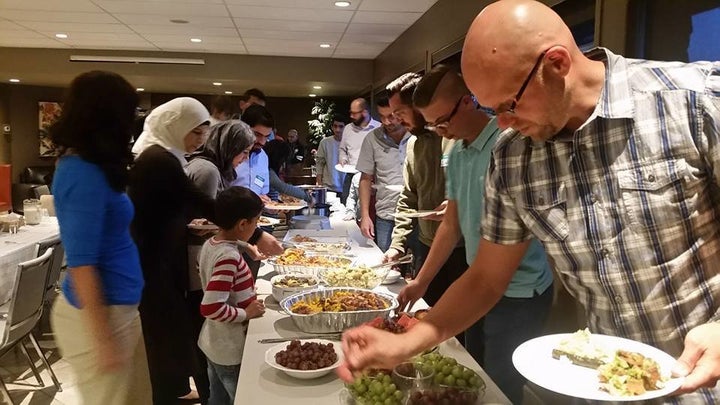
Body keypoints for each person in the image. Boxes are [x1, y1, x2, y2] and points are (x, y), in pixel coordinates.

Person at [339, 1, 720, 403]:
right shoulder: (513, 155)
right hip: (607, 383)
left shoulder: (695, 101)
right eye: (491, 108)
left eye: (508, 105)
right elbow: (486, 277)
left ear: (556, 64)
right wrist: (411, 340)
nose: (501, 123)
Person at [401, 63, 554, 403]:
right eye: (432, 124)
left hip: (520, 292)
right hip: (476, 284)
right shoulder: (455, 152)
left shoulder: (510, 145)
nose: (440, 131)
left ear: (468, 102)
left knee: (500, 386)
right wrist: (421, 281)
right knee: (469, 375)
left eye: (443, 120)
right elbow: (451, 225)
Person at [48, 70, 151, 405]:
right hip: (99, 316)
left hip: (118, 310)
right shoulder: (81, 172)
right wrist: (103, 339)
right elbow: (81, 264)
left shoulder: (92, 166)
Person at [128, 97, 215, 404]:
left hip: (160, 256)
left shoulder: (165, 156)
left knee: (169, 331)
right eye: (195, 132)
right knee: (164, 333)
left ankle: (175, 390)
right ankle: (167, 394)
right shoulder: (159, 159)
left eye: (204, 132)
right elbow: (197, 200)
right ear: (174, 126)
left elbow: (170, 207)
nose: (201, 139)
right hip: (152, 262)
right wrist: (252, 230)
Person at [383, 73, 467, 312]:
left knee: (457, 323)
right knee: (425, 313)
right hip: (425, 246)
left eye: (399, 112)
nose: (395, 119)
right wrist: (397, 245)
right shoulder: (413, 144)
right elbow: (408, 196)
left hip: (462, 250)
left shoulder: (457, 138)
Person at [198, 186, 266, 405]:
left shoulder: (212, 243)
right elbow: (210, 307)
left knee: (217, 399)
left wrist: (246, 246)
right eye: (256, 222)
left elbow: (228, 242)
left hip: (213, 343)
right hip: (229, 347)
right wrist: (245, 313)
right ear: (242, 224)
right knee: (240, 398)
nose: (257, 226)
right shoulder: (228, 258)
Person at [356, 94, 412, 252]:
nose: (387, 122)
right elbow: (365, 179)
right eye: (382, 117)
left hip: (417, 214)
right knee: (386, 266)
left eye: (391, 117)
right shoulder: (372, 138)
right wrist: (365, 216)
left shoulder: (417, 136)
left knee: (420, 266)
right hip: (386, 214)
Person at [338, 98, 380, 202]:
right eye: (350, 112)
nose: (351, 116)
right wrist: (343, 158)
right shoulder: (348, 128)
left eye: (354, 113)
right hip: (350, 174)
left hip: (371, 176)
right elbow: (342, 149)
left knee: (368, 206)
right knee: (346, 203)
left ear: (365, 112)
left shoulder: (378, 128)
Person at [316, 116, 346, 200]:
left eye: (341, 126)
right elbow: (319, 164)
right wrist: (320, 185)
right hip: (328, 187)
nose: (337, 130)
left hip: (346, 187)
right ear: (332, 127)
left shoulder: (350, 143)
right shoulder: (325, 142)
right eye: (335, 126)